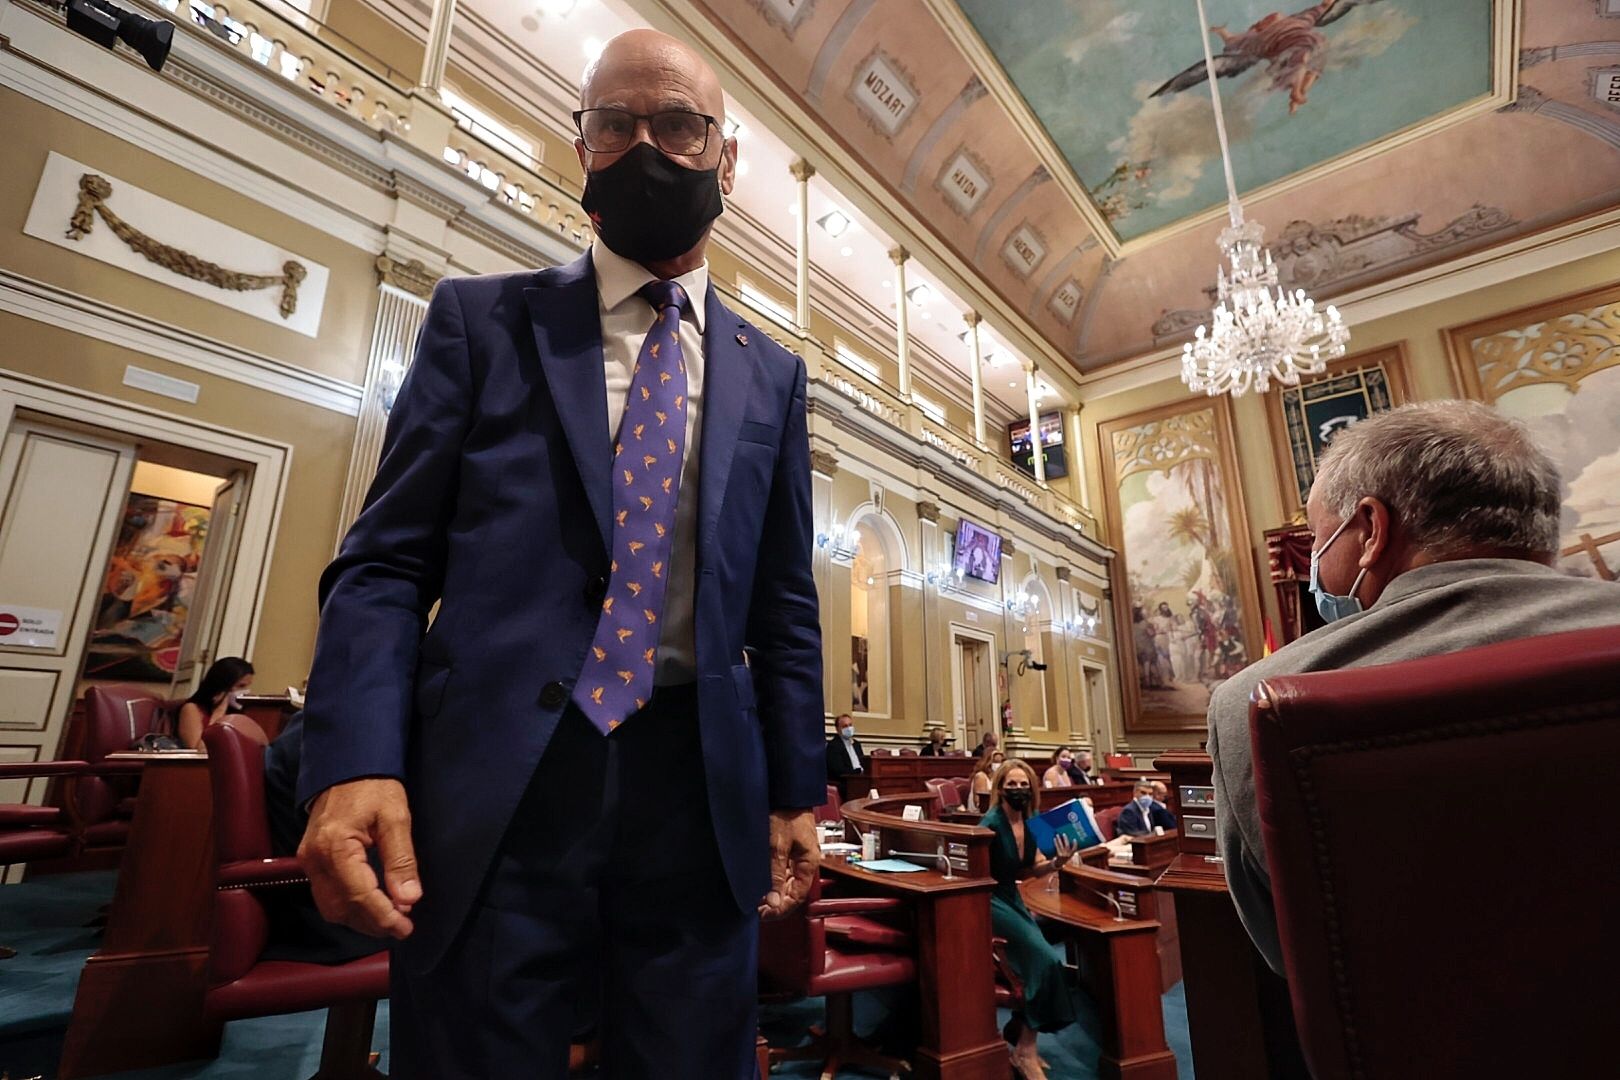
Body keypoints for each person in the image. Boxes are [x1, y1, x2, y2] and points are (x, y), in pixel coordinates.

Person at [294, 29, 825, 1079]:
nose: (645, 150)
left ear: (726, 160)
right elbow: (386, 564)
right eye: (613, 125)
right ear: (579, 147)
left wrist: (796, 788)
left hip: (696, 789)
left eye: (677, 125)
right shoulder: (478, 320)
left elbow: (784, 604)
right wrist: (354, 757)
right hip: (498, 788)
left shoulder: (774, 375)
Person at [1208, 401, 1620, 975]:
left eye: (1318, 540)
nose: (1314, 570)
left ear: (1371, 531)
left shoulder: (1253, 702)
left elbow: (1293, 953)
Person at [980, 759, 1086, 1079]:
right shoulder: (990, 823)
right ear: (1000, 789)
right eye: (1011, 785)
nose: (1018, 790)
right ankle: (1025, 1050)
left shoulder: (1033, 820)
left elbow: (1033, 867)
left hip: (1012, 898)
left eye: (1024, 785)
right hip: (989, 900)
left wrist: (1057, 862)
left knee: (1044, 962)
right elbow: (977, 872)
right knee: (1044, 960)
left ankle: (1024, 1040)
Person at [176, 656, 255, 750]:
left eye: (247, 686)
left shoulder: (236, 713)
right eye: (241, 686)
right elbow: (199, 751)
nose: (245, 691)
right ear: (223, 685)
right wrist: (218, 714)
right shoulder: (192, 709)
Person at [826, 713, 868, 784]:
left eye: (850, 725)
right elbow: (838, 771)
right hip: (845, 782)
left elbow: (863, 763)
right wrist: (857, 772)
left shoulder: (856, 744)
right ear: (837, 729)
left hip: (861, 779)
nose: (849, 728)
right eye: (845, 726)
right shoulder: (833, 746)